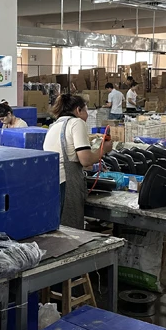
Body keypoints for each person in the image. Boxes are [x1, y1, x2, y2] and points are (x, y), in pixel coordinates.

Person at [44, 94, 112, 229]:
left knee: (58, 227)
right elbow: (86, 160)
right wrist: (103, 150)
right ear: (78, 110)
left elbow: (71, 156)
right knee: (71, 228)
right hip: (67, 183)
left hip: (51, 182)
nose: (87, 115)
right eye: (86, 110)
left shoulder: (54, 125)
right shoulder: (76, 123)